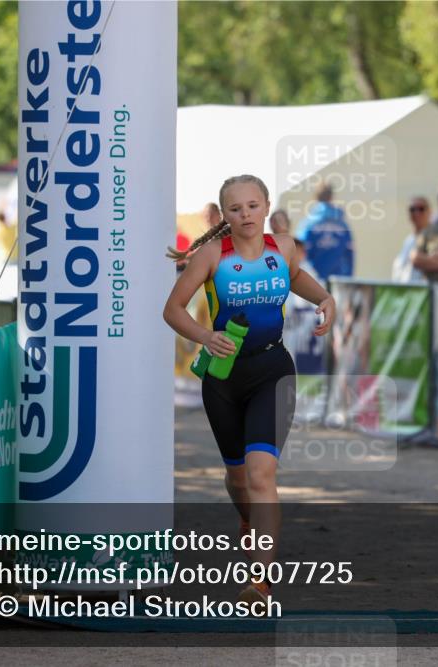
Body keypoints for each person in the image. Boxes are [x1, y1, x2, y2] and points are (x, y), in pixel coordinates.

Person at [163, 174, 335, 608]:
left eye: (254, 206)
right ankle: (247, 518)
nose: (246, 215)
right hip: (222, 377)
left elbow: (298, 280)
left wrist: (326, 300)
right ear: (224, 214)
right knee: (238, 477)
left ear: (266, 206)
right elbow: (172, 309)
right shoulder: (210, 256)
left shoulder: (284, 248)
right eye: (236, 209)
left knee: (262, 475)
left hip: (272, 371)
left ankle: (260, 581)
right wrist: (205, 335)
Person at [294, 183, 354, 280]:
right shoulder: (343, 225)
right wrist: (348, 279)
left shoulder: (307, 224)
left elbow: (296, 254)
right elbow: (349, 255)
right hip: (337, 280)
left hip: (313, 280)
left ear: (315, 197)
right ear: (331, 197)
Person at [392, 196, 430, 283]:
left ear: (429, 212)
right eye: (412, 209)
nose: (416, 213)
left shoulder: (435, 238)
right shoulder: (409, 240)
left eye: (421, 209)